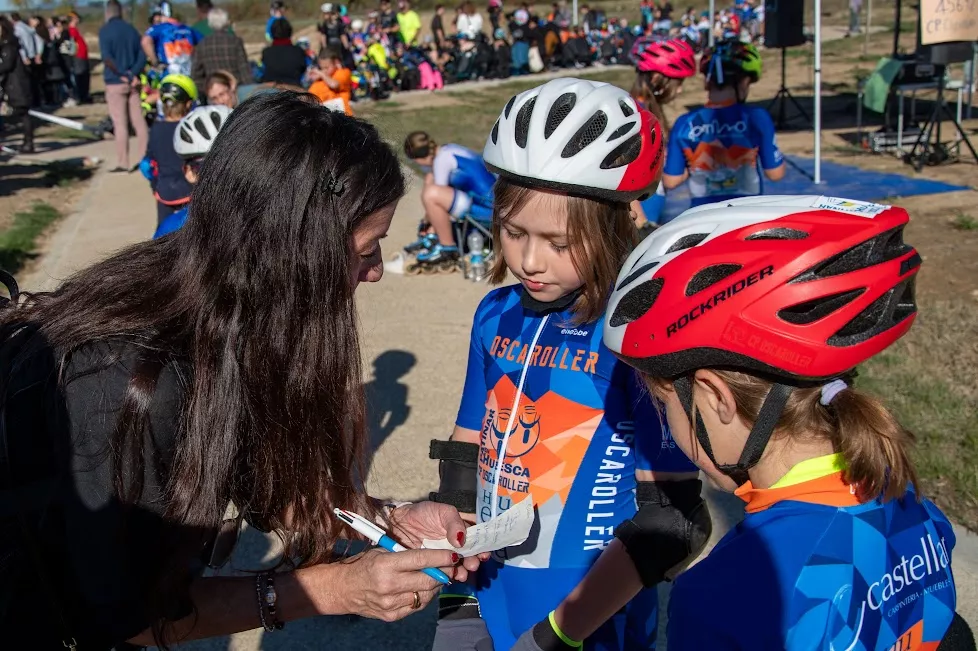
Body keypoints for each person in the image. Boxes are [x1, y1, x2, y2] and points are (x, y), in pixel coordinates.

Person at [0, 91, 483, 648]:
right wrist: (334, 589)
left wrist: (389, 519)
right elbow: (122, 617)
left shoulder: (228, 300)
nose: (375, 273)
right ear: (299, 252)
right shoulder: (132, 380)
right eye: (368, 249)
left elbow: (262, 481)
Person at [603, 195, 973, 649]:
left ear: (716, 397)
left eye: (665, 406)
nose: (668, 428)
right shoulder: (905, 497)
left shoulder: (724, 593)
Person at [429, 78, 708, 651]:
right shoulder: (495, 312)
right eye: (513, 232)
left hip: (587, 618)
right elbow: (466, 445)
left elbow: (671, 520)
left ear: (614, 226)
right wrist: (455, 580)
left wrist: (562, 633)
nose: (530, 260)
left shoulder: (636, 335)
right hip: (484, 594)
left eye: (559, 242)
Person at [662, 39, 784, 208]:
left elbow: (670, 181)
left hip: (702, 216)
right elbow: (775, 173)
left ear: (707, 82)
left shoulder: (684, 123)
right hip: (745, 216)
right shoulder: (757, 117)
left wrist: (695, 169)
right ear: (743, 82)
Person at [402, 131, 496, 270]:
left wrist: (425, 223)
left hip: (488, 210)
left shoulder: (442, 160)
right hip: (491, 204)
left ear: (419, 158)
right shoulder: (449, 149)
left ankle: (446, 248)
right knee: (430, 180)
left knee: (432, 194)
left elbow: (437, 197)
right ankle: (433, 236)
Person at [629, 38, 695, 234]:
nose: (680, 89)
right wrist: (642, 226)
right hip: (640, 227)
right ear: (657, 77)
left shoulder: (649, 113)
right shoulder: (636, 115)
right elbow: (620, 176)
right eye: (678, 82)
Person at [154, 104, 231, 238]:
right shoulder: (172, 231)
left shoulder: (172, 229)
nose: (222, 175)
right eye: (207, 169)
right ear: (189, 173)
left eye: (232, 162)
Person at [99, 0, 149, 173]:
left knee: (120, 123)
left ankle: (123, 162)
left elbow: (107, 58)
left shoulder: (105, 32)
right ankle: (145, 158)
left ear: (108, 12)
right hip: (133, 82)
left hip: (115, 82)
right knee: (139, 121)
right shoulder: (132, 30)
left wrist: (122, 74)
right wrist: (133, 73)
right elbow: (143, 55)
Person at [142, 74, 197, 224]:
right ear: (188, 104)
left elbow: (146, 165)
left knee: (163, 238)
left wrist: (155, 186)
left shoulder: (155, 129)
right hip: (192, 191)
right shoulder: (191, 128)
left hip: (165, 193)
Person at [191, 8, 253, 94]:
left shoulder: (202, 44)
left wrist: (206, 89)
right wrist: (250, 92)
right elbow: (244, 69)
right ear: (226, 22)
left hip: (213, 93)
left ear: (210, 23)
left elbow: (195, 74)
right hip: (235, 90)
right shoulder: (235, 41)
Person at [0, 16, 35, 152]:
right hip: (11, 84)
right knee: (22, 114)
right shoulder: (6, 45)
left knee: (24, 113)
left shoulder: (9, 45)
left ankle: (28, 142)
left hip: (17, 84)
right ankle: (27, 141)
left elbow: (7, 65)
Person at [142, 1, 201, 77]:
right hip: (188, 75)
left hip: (167, 75)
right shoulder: (188, 29)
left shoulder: (159, 28)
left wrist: (155, 62)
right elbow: (204, 42)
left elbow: (145, 41)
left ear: (160, 16)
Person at [261, 18, 306, 87]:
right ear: (290, 32)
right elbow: (303, 70)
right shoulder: (298, 51)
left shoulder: (266, 52)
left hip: (271, 90)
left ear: (272, 33)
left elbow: (263, 71)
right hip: (294, 89)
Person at [308, 48, 353, 115]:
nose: (324, 70)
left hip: (343, 115)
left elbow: (334, 85)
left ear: (336, 62)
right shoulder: (319, 81)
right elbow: (310, 97)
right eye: (322, 68)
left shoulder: (343, 72)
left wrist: (320, 73)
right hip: (326, 117)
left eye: (326, 67)